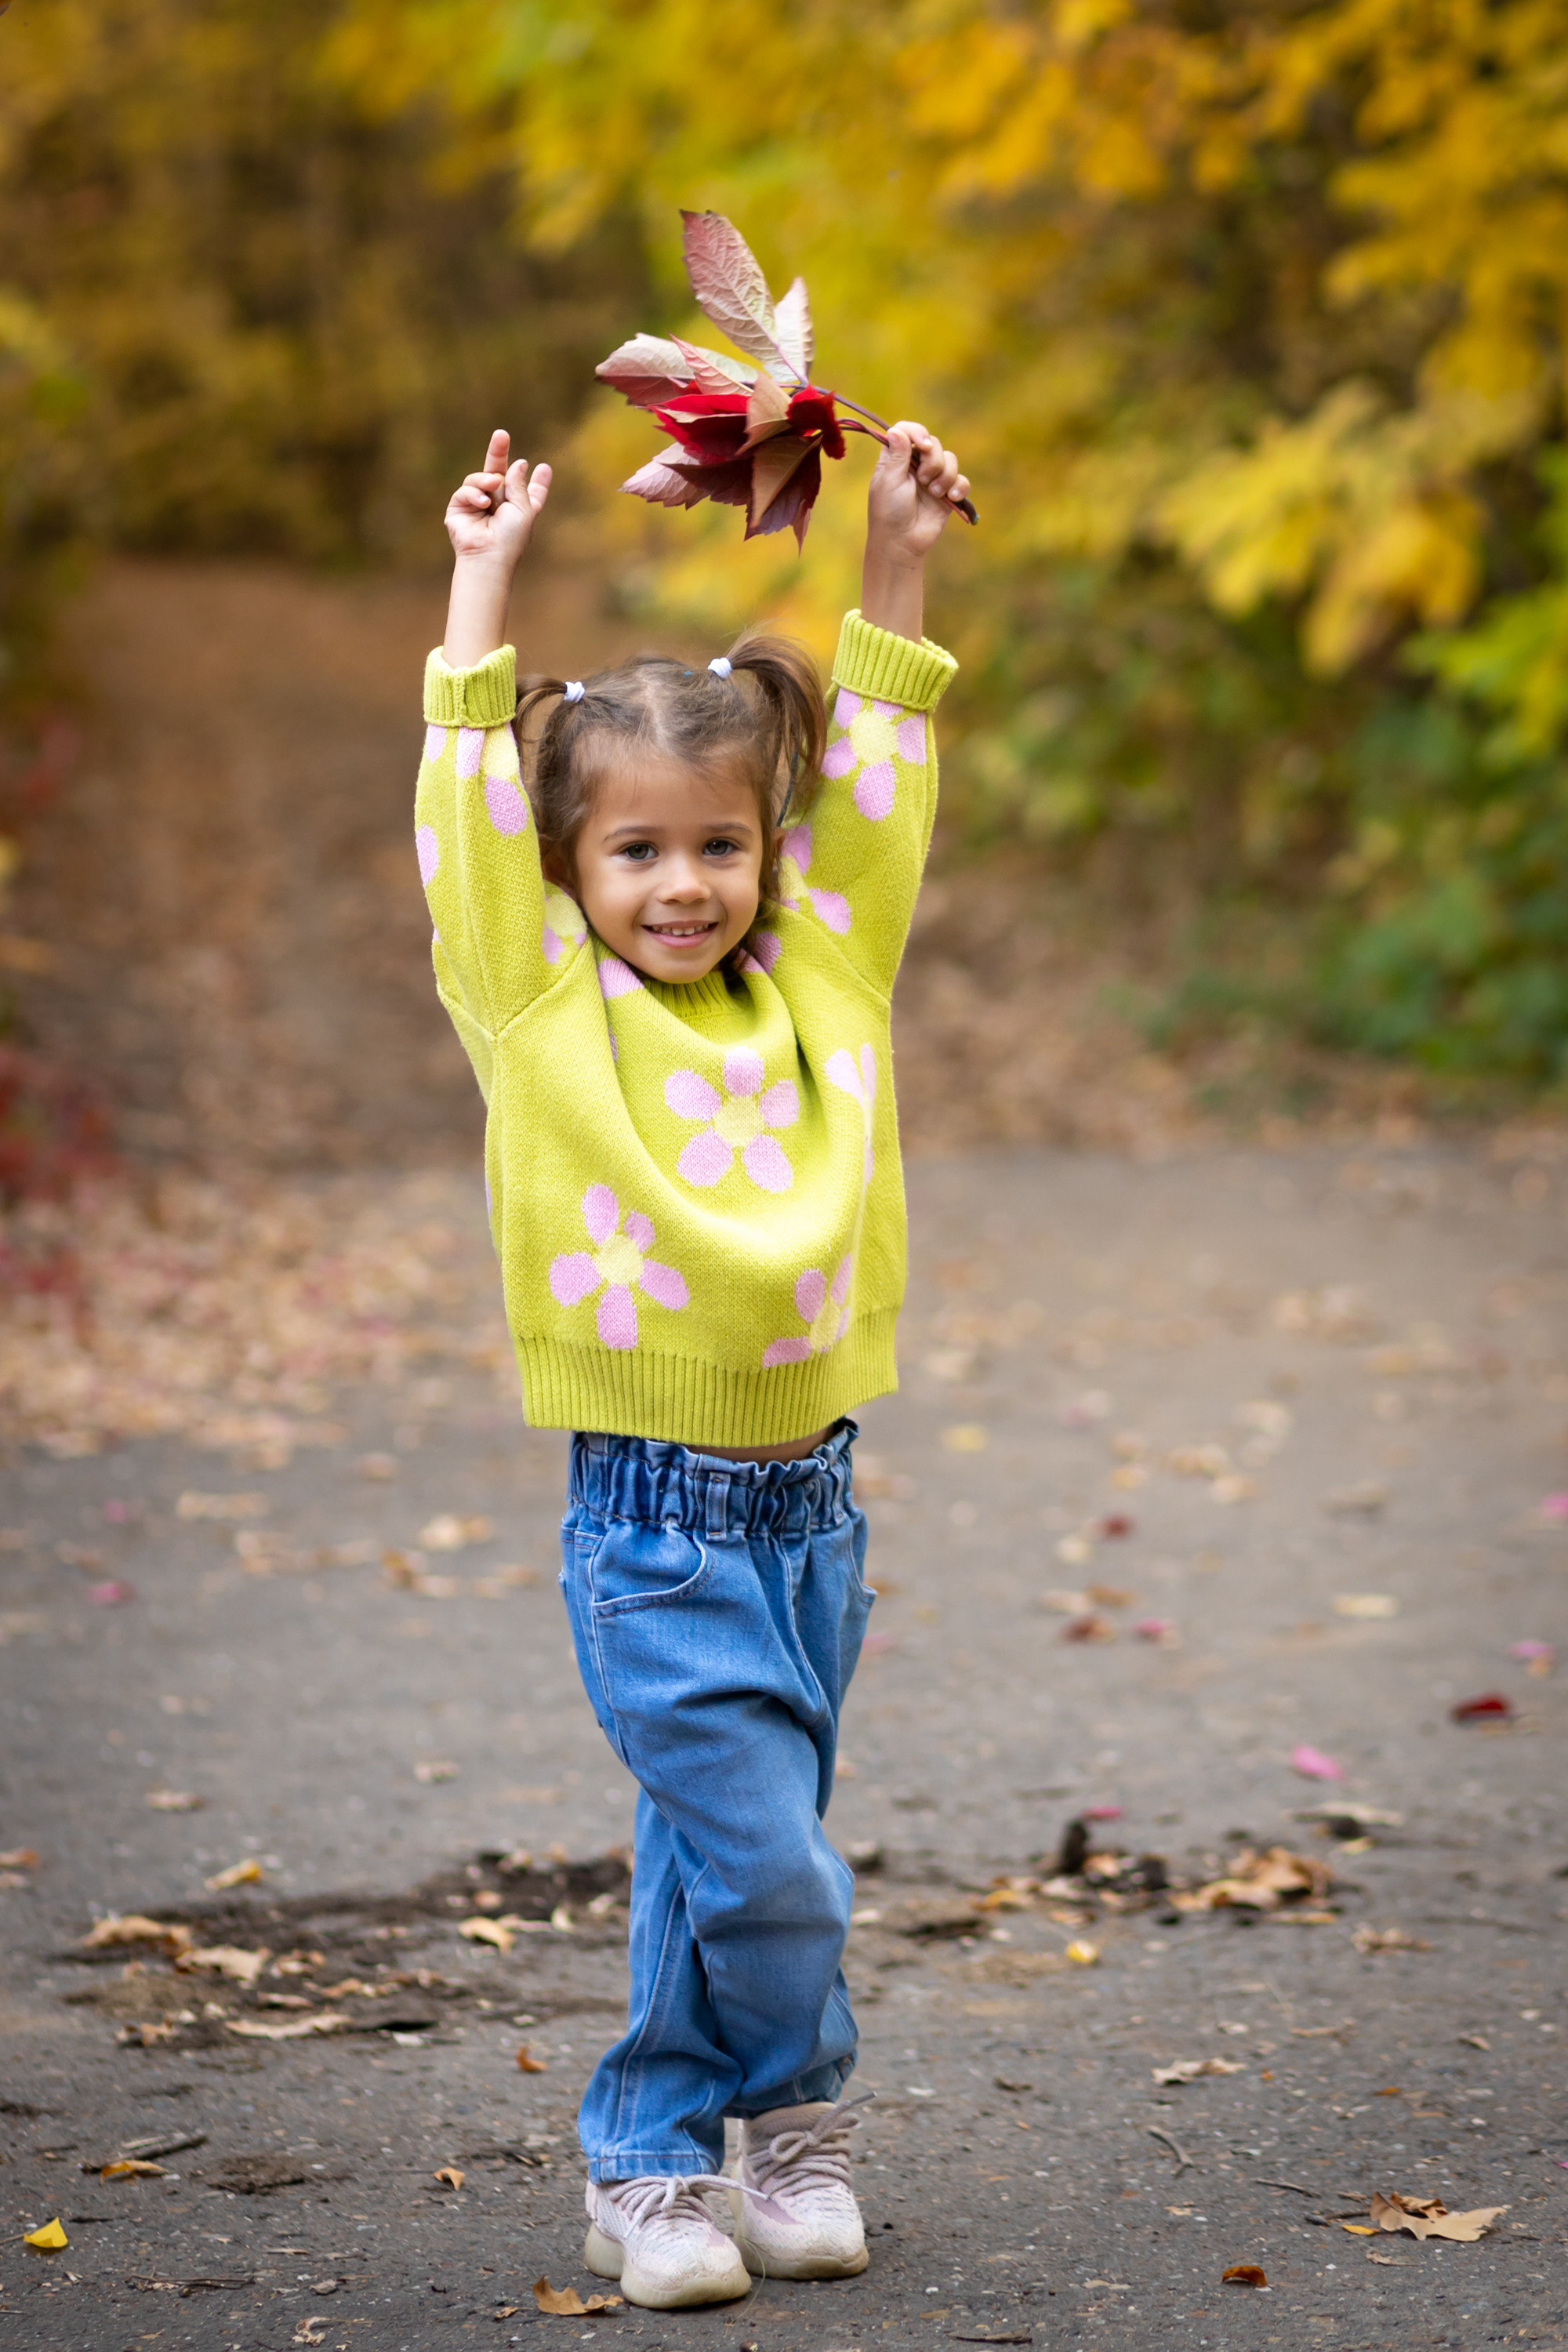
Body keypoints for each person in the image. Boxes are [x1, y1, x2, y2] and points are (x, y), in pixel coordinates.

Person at [416, 414, 968, 2310]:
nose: (681, 882)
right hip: (650, 1515)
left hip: (812, 1506)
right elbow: (464, 826)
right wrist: (482, 581)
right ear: (566, 864)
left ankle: (668, 2164)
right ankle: (791, 2098)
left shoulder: (824, 981)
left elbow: (876, 804)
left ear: (765, 851)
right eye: (633, 848)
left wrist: (891, 570)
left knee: (710, 1857)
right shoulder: (535, 1008)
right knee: (773, 1872)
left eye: (718, 844)